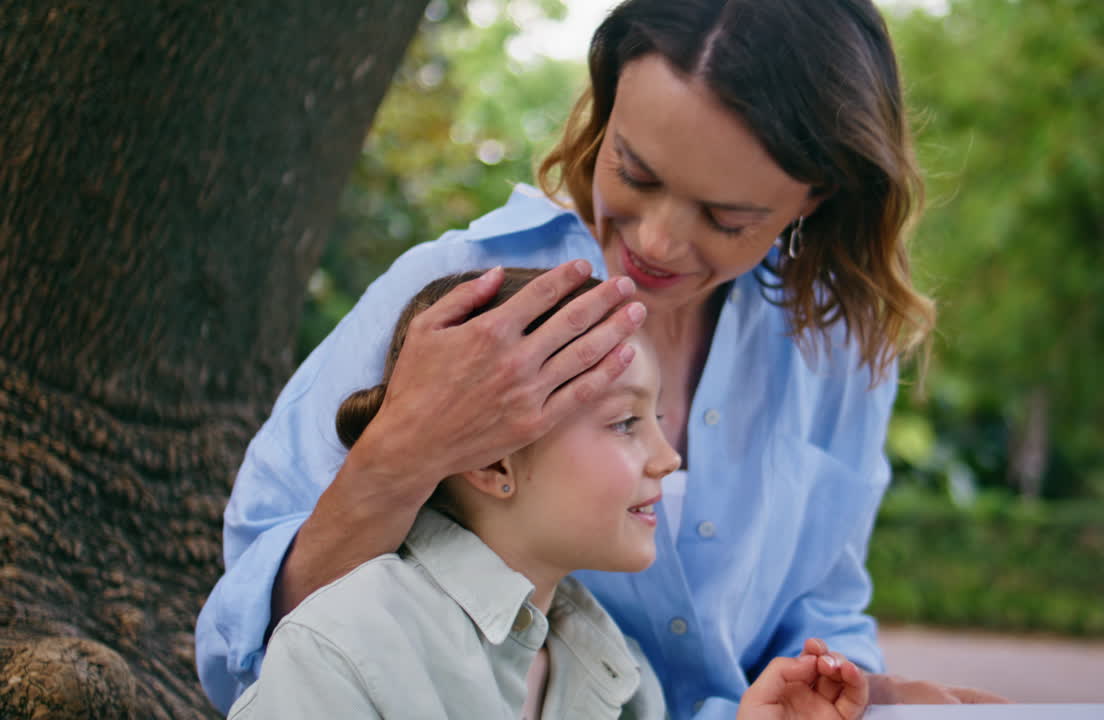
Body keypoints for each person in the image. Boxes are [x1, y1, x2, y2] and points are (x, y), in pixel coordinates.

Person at [198, 0, 1007, 716]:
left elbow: (824, 610)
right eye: (634, 170)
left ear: (816, 196)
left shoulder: (835, 346)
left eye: (726, 217)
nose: (655, 241)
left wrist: (855, 693)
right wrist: (410, 445)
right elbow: (255, 657)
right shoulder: (462, 293)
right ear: (607, 103)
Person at [226, 268, 870, 720]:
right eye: (625, 423)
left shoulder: (617, 670)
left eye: (658, 422)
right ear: (493, 459)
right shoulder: (342, 650)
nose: (669, 460)